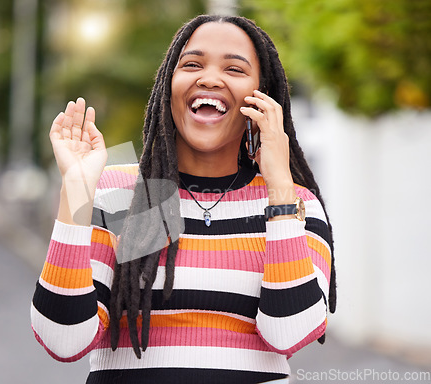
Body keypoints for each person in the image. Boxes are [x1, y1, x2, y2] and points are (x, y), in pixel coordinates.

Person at [31, 14, 336, 384]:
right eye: (192, 64)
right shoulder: (132, 196)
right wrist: (76, 190)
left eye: (235, 69)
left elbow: (289, 333)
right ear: (169, 85)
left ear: (262, 97)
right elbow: (63, 341)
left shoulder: (291, 202)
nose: (208, 78)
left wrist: (281, 192)